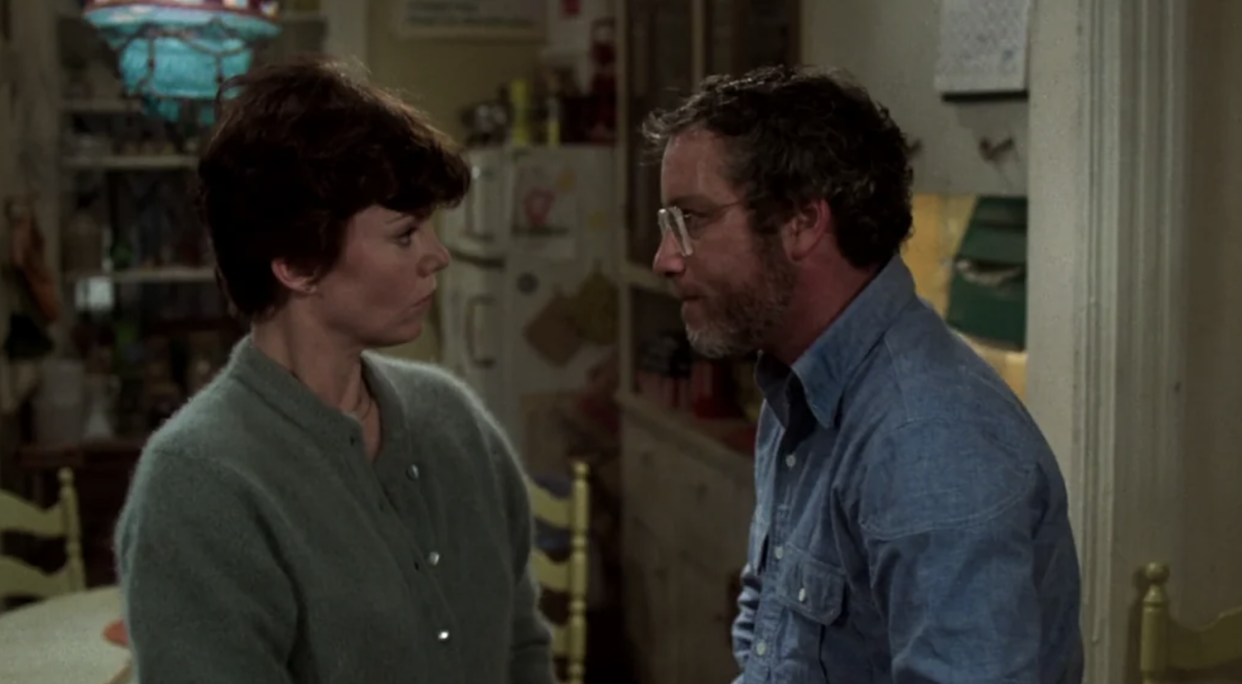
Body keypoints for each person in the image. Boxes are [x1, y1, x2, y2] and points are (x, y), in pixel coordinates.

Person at [114, 56, 555, 684]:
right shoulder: (199, 486)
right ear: (296, 263)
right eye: (405, 234)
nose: (438, 254)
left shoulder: (454, 420)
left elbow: (522, 647)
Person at [644, 65, 1083, 683]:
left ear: (802, 221)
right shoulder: (795, 389)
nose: (664, 258)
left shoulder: (929, 440)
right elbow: (767, 644)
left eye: (691, 220)